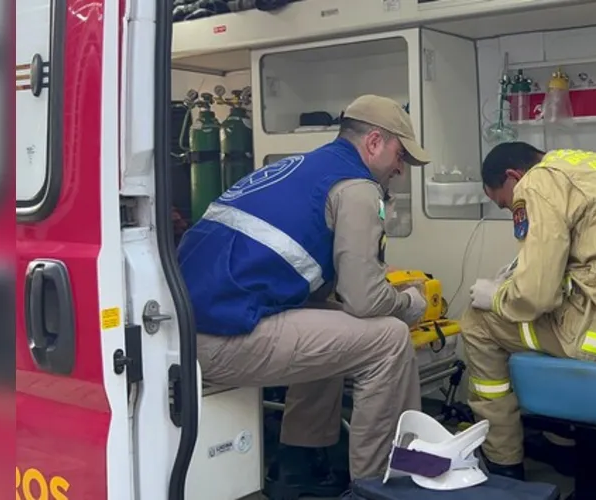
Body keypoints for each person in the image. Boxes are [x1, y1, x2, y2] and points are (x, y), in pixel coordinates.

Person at [176, 95, 431, 497]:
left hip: (185, 329)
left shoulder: (300, 167)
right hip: (220, 340)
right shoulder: (358, 189)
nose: (401, 168)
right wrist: (409, 305)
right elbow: (365, 300)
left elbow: (340, 294)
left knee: (337, 326)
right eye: (401, 155)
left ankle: (299, 467)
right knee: (389, 340)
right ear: (375, 142)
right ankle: (376, 487)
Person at [461, 142, 596, 479]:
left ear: (513, 177)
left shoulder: (538, 182)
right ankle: (561, 445)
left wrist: (499, 295)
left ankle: (504, 466)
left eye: (505, 203)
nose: (512, 209)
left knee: (478, 323)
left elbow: (536, 297)